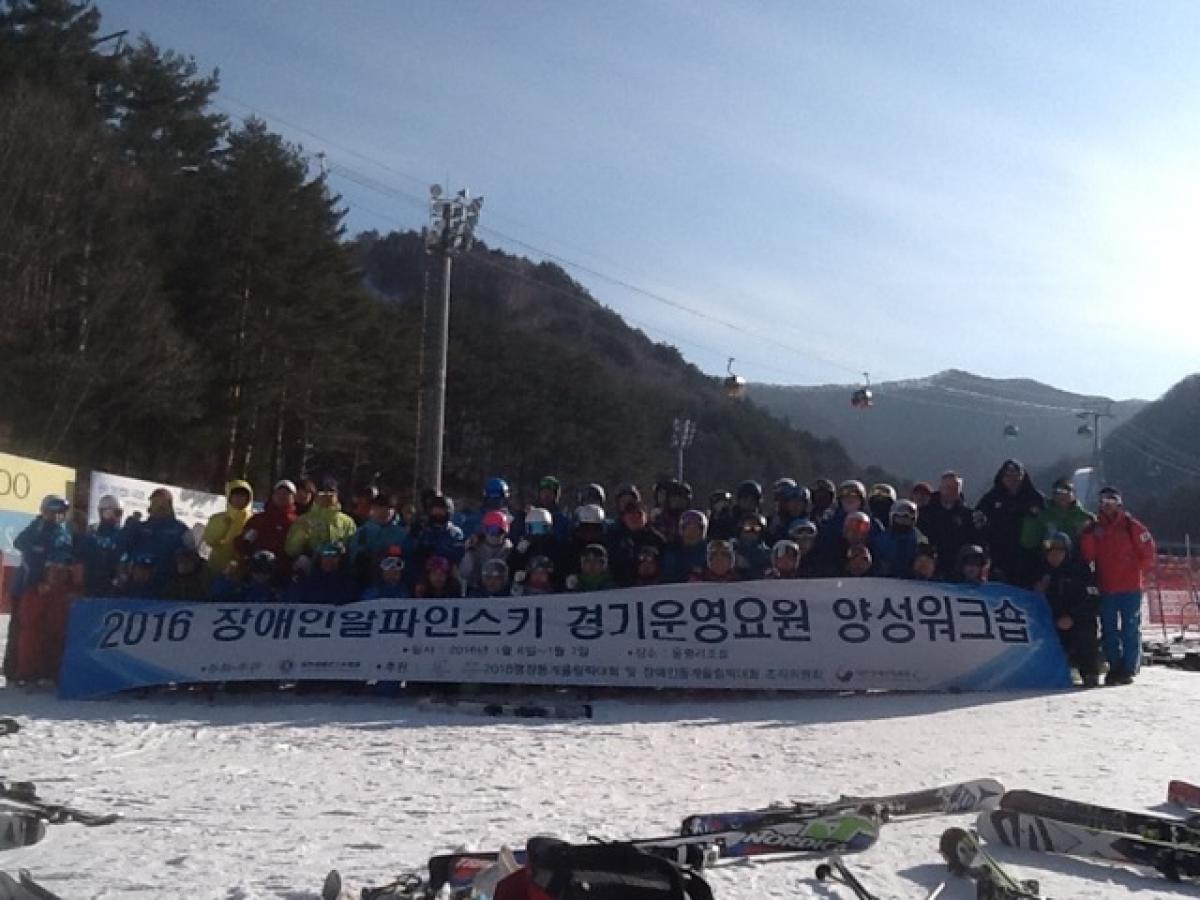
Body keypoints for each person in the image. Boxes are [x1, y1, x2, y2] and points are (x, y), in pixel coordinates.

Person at [1079, 487, 1155, 686]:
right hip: (1107, 587)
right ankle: (1114, 665)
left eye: (1112, 500)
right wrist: (1087, 535)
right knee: (1109, 629)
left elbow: (1148, 551)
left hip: (1130, 587)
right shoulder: (1095, 528)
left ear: (1119, 503)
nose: (1108, 505)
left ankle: (1129, 667)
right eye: (1104, 501)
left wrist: (1134, 568)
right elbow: (1089, 555)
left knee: (1130, 627)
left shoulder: (1131, 525)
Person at [1033, 532, 1100, 688]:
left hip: (1077, 619)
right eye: (1051, 553)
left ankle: (1089, 672)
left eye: (1059, 553)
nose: (1054, 557)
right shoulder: (1041, 571)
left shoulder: (1081, 571)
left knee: (1086, 631)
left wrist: (1072, 617)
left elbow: (1092, 600)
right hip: (1051, 620)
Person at [10, 550, 79, 685]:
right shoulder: (35, 593)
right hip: (40, 638)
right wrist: (41, 598)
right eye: (54, 571)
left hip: (61, 639)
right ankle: (29, 673)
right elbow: (28, 619)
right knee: (30, 636)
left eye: (62, 571)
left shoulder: (72, 594)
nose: (57, 575)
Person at [974, 459, 1045, 587]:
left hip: (1029, 561)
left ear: (1023, 477)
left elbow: (1045, 526)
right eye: (1007, 475)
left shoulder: (1035, 499)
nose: (1012, 479)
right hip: (999, 558)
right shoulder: (991, 498)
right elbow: (978, 522)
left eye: (1016, 475)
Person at [123, 488, 192, 588]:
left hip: (168, 586)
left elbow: (189, 560)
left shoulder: (180, 529)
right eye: (154, 502)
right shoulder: (140, 528)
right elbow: (126, 551)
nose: (156, 505)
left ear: (168, 505)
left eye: (160, 502)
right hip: (139, 585)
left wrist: (182, 563)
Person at [919, 471, 979, 580]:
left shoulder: (967, 515)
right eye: (947, 487)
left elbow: (974, 540)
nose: (950, 491)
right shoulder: (925, 512)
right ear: (940, 488)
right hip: (929, 569)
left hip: (957, 570)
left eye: (955, 488)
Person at [13, 495, 74, 600]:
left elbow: (65, 558)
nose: (58, 516)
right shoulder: (35, 528)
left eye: (60, 513)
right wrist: (35, 548)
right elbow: (18, 542)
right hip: (27, 585)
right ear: (45, 512)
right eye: (54, 512)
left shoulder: (63, 535)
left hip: (51, 587)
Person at [285, 477, 358, 564]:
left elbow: (354, 548)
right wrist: (302, 534)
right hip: (313, 566)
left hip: (339, 567)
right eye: (323, 492)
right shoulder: (304, 520)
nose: (327, 495)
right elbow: (291, 550)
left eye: (331, 492)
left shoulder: (347, 522)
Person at [237, 479, 298, 583]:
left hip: (283, 574)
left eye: (287, 494)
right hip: (256, 572)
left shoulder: (296, 522)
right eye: (279, 493)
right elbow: (240, 544)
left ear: (293, 498)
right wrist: (245, 543)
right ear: (273, 495)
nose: (282, 496)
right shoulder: (258, 519)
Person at [1021, 477, 1095, 553]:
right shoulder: (1043, 514)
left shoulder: (1085, 517)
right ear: (1053, 494)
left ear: (1074, 494)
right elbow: (1028, 542)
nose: (1062, 496)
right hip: (1049, 558)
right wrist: (1031, 518)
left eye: (1066, 491)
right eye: (1058, 492)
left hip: (1075, 560)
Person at [350, 492, 409, 585]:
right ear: (373, 509)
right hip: (367, 582)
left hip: (395, 582)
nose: (383, 512)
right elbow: (353, 558)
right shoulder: (363, 532)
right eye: (379, 508)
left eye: (388, 508)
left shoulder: (402, 534)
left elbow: (407, 558)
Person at [202, 480, 254, 576]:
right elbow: (209, 540)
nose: (239, 498)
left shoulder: (253, 520)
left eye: (242, 495)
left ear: (248, 498)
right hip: (217, 567)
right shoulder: (217, 518)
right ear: (229, 496)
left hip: (242, 571)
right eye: (235, 495)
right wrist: (224, 526)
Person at [609, 503, 665, 587]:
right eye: (630, 514)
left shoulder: (657, 539)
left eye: (639, 514)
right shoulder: (615, 539)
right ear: (624, 518)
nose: (635, 518)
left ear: (646, 517)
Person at [80, 494, 126, 597]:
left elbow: (122, 560)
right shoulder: (92, 534)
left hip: (112, 587)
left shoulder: (122, 535)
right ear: (105, 512)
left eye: (120, 513)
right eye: (117, 512)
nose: (119, 516)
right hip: (92, 585)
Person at [286, 542, 359, 606]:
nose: (329, 560)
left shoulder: (349, 583)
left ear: (342, 559)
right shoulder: (305, 582)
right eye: (325, 555)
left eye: (334, 556)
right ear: (319, 558)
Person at [459, 510, 513, 591]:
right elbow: (464, 573)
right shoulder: (476, 549)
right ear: (484, 531)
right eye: (491, 530)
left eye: (499, 531)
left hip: (504, 592)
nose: (494, 535)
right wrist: (470, 551)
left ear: (505, 532)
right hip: (479, 591)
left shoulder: (510, 550)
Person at [508, 507, 564, 582]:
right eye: (533, 528)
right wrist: (518, 553)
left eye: (541, 528)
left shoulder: (556, 547)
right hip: (527, 588)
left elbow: (562, 568)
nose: (537, 533)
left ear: (549, 527)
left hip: (551, 587)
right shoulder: (525, 547)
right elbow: (511, 567)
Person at [874, 500, 926, 578]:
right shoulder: (883, 538)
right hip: (885, 580)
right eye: (900, 517)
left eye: (908, 517)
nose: (904, 521)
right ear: (893, 517)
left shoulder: (919, 539)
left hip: (910, 581)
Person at [662, 509, 708, 583]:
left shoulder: (709, 551)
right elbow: (668, 575)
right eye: (688, 526)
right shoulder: (672, 551)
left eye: (697, 526)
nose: (692, 530)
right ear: (682, 528)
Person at [732, 512, 771, 579]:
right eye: (747, 527)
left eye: (756, 528)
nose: (751, 532)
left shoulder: (767, 554)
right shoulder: (731, 549)